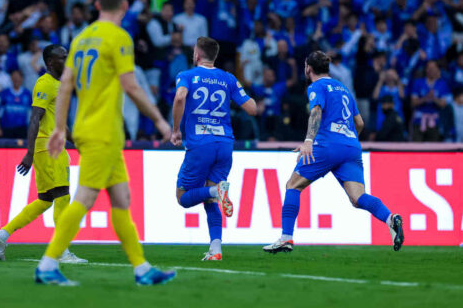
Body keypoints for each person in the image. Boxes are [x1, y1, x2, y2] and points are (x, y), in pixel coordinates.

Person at [38, 0, 175, 286]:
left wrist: (60, 128)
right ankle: (48, 264)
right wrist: (161, 121)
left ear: (97, 4)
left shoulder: (82, 37)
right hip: (103, 132)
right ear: (125, 6)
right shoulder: (118, 37)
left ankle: (142, 269)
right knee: (84, 198)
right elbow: (131, 85)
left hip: (89, 129)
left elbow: (65, 87)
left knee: (121, 199)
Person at [263, 51, 404, 253]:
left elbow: (316, 111)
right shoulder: (344, 89)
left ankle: (286, 237)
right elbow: (360, 123)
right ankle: (390, 218)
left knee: (293, 185)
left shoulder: (316, 86)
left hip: (327, 144)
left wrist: (309, 140)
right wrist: (347, 140)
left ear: (308, 68)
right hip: (352, 147)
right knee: (358, 198)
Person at [0, 45, 85, 264]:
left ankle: (2, 235)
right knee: (63, 194)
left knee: (45, 200)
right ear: (51, 63)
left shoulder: (58, 85)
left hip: (51, 145)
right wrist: (29, 153)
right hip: (49, 148)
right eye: (64, 58)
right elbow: (35, 118)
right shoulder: (45, 84)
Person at [171, 37, 257, 261]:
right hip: (225, 144)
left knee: (184, 197)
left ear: (197, 55)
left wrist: (175, 130)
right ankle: (216, 249)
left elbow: (180, 97)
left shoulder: (187, 75)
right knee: (211, 201)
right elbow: (252, 108)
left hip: (201, 144)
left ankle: (216, 191)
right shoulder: (228, 78)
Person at [0, 70, 32, 139]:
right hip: (7, 128)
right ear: (11, 78)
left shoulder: (27, 93)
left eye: (18, 77)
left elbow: (33, 111)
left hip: (22, 129)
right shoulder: (4, 93)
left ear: (22, 79)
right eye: (14, 77)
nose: (16, 79)